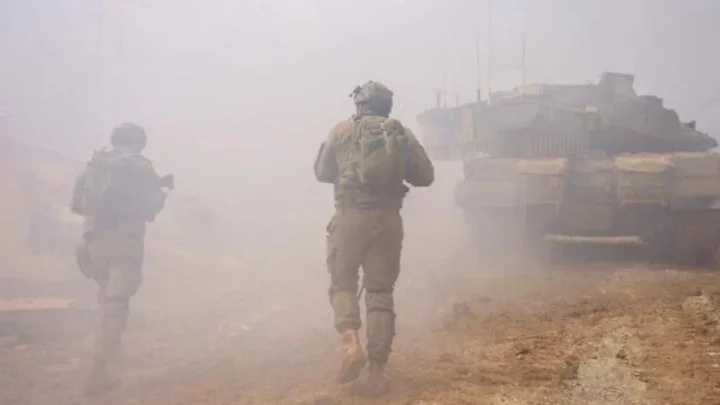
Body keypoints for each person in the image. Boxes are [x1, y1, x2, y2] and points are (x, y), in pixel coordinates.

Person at [313, 81, 435, 396]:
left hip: (349, 217)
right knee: (380, 293)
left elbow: (322, 172)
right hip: (387, 221)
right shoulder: (401, 133)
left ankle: (352, 345)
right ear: (386, 106)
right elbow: (425, 176)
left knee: (342, 283)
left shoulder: (341, 130)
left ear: (360, 104)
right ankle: (377, 372)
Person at [70, 122, 173, 396]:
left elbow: (76, 205)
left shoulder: (96, 164)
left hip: (92, 241)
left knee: (106, 299)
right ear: (140, 142)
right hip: (124, 242)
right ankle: (97, 373)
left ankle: (113, 352)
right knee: (117, 305)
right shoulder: (141, 166)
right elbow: (151, 210)